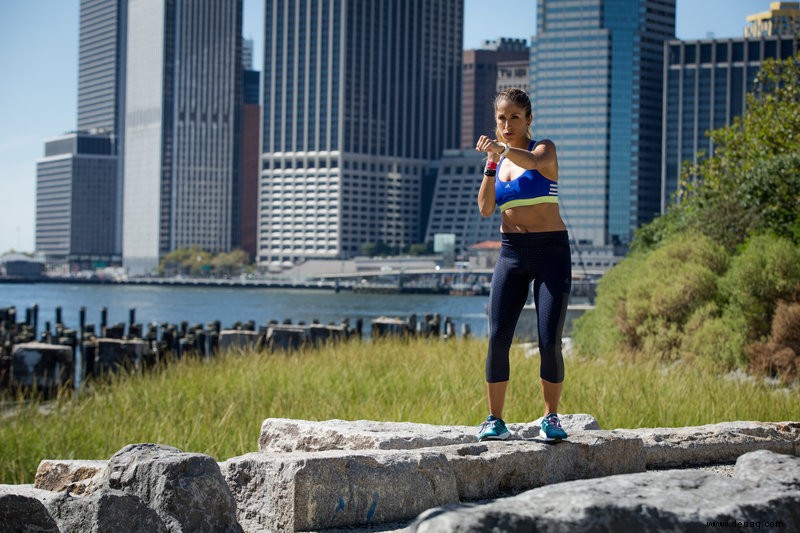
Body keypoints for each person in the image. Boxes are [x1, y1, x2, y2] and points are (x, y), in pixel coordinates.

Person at [474, 87, 571, 442]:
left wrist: (502, 150)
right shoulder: (497, 162)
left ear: (528, 119)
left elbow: (532, 163)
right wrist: (492, 163)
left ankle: (551, 418)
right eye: (502, 118)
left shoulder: (543, 149)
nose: (507, 123)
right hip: (511, 252)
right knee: (498, 337)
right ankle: (494, 420)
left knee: (549, 339)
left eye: (515, 117)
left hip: (551, 252)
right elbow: (486, 208)